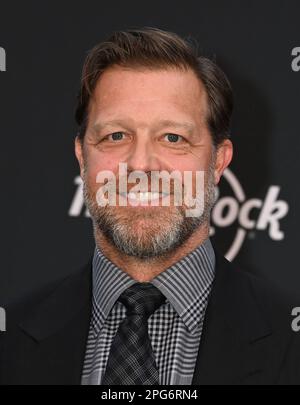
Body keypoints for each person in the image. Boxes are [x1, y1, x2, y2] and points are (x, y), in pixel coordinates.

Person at [0, 27, 299, 385]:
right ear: (82, 156)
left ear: (219, 162)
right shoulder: (10, 340)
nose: (141, 166)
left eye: (173, 138)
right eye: (116, 136)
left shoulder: (289, 341)